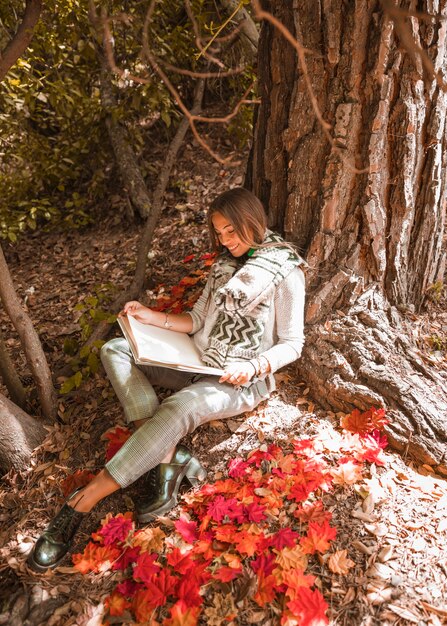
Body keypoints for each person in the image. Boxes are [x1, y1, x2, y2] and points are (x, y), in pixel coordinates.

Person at [27, 187, 306, 572]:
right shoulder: (224, 265)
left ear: (251, 222)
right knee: (115, 349)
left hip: (240, 378)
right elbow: (195, 320)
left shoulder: (286, 271)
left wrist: (255, 367)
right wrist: (149, 316)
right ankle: (167, 456)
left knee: (182, 405)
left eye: (231, 232)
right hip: (199, 359)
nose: (225, 241)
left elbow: (293, 343)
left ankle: (83, 500)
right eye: (219, 233)